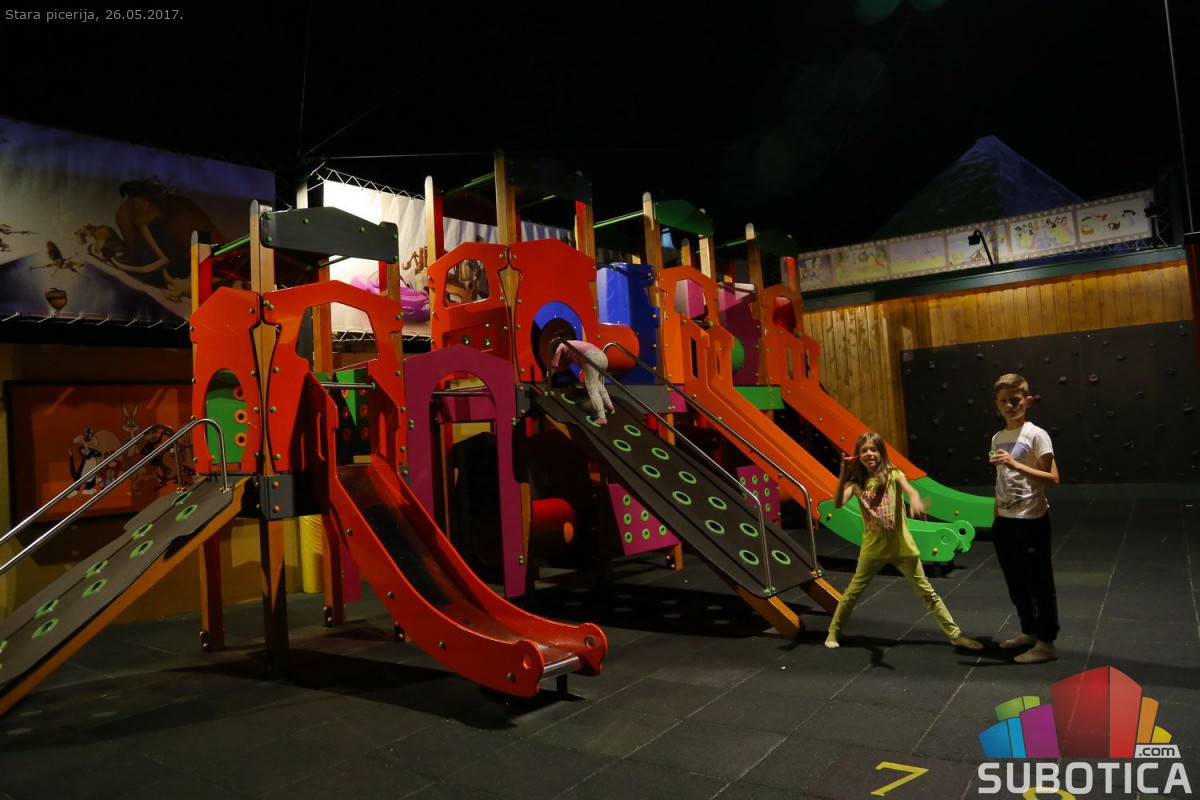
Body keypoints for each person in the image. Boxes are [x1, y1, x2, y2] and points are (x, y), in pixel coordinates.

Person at [825, 431, 983, 652]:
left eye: (873, 449)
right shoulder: (856, 483)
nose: (869, 453)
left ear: (881, 452)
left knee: (927, 592)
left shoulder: (893, 474)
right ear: (858, 455)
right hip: (873, 549)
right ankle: (833, 632)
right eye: (864, 450)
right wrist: (843, 474)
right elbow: (837, 504)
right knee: (852, 594)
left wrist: (915, 501)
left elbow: (911, 491)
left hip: (902, 547)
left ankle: (955, 635)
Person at [989, 373, 1060, 664]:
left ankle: (1046, 643)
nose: (1010, 405)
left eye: (1015, 400)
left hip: (1032, 519)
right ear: (997, 405)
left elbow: (1052, 478)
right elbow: (1001, 478)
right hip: (1005, 520)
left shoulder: (1036, 434)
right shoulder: (997, 437)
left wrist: (1015, 463)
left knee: (1039, 581)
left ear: (1027, 401)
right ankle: (1029, 631)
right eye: (1004, 401)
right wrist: (997, 513)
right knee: (1015, 581)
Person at [550, 338, 615, 425]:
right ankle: (609, 405)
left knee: (592, 388)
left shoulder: (561, 345)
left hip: (591, 357)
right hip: (603, 357)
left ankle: (601, 417)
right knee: (598, 384)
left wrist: (548, 377)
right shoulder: (572, 343)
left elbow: (555, 364)